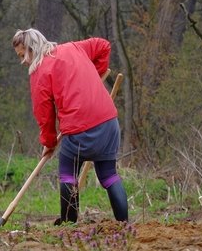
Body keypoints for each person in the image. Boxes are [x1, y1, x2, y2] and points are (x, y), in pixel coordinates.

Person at [12, 28, 128, 225]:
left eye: (23, 55)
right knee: (109, 175)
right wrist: (95, 72)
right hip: (109, 123)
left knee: (67, 173)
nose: (23, 61)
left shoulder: (39, 71)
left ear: (32, 48)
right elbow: (103, 45)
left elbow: (43, 113)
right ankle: (124, 223)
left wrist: (48, 142)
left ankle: (68, 223)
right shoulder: (74, 48)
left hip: (79, 130)